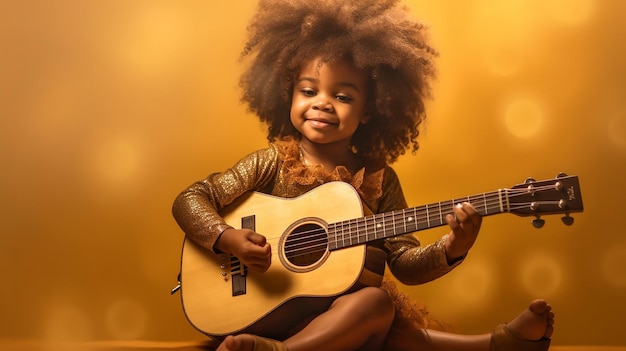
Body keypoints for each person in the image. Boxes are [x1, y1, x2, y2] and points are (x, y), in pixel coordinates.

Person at [172, 1, 554, 350]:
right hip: (257, 308)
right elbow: (190, 199)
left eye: (343, 96)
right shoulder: (271, 162)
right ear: (289, 94)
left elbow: (403, 262)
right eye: (309, 90)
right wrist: (227, 238)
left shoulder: (379, 180)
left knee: (375, 302)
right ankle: (497, 345)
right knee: (391, 334)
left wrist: (454, 247)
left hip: (332, 322)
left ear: (370, 110)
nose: (322, 102)